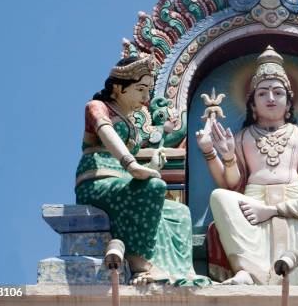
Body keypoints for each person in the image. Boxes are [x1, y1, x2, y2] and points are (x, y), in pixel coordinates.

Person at [196, 46, 298, 285]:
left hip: (296, 206)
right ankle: (248, 272)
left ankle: (270, 249)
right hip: (252, 205)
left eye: (277, 92)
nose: (271, 98)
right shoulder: (242, 137)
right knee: (220, 197)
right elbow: (231, 184)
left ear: (289, 102)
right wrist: (214, 152)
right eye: (262, 93)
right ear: (252, 104)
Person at [74, 54, 209, 286]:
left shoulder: (133, 123)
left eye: (148, 91)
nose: (146, 98)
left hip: (123, 182)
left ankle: (179, 272)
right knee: (155, 186)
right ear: (119, 88)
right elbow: (106, 133)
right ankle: (140, 262)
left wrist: (152, 166)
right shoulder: (97, 107)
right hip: (97, 182)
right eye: (141, 89)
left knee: (179, 212)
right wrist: (132, 165)